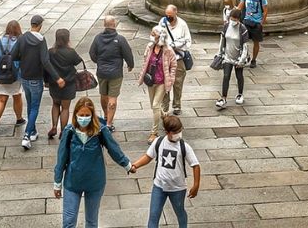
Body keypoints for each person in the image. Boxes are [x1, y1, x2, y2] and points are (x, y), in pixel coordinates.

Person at [52, 96, 131, 228]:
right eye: (81, 115)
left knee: (92, 221)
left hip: (95, 183)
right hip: (72, 183)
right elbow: (61, 159)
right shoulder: (69, 131)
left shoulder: (100, 130)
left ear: (92, 115)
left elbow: (114, 149)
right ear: (76, 114)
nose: (84, 118)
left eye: (87, 115)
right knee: (69, 222)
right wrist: (57, 183)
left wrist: (127, 165)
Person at [130, 114, 201, 228]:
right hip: (159, 186)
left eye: (180, 130)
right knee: (153, 216)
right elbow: (148, 156)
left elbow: (195, 165)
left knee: (180, 212)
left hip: (177, 188)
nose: (178, 134)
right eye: (176, 132)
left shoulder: (184, 147)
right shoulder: (159, 142)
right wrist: (135, 165)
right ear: (167, 132)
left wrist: (196, 185)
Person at [13, 14, 66, 151]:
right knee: (35, 107)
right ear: (40, 25)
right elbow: (45, 61)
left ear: (31, 24)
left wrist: (24, 58)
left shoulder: (22, 38)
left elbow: (13, 55)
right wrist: (57, 77)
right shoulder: (41, 40)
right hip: (36, 78)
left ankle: (33, 131)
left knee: (30, 105)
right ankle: (26, 136)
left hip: (25, 78)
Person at [89, 15, 134, 132]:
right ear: (114, 25)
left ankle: (105, 115)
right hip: (116, 73)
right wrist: (130, 64)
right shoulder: (120, 39)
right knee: (112, 97)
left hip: (102, 72)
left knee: (103, 95)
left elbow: (92, 53)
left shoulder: (97, 38)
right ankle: (109, 124)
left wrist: (99, 62)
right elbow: (127, 53)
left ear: (104, 25)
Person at [138, 26, 178, 141]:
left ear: (160, 37)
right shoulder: (149, 47)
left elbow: (174, 65)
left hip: (161, 82)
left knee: (155, 105)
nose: (151, 36)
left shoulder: (168, 50)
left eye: (153, 34)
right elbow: (145, 61)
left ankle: (154, 133)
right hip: (151, 81)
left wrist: (170, 79)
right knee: (153, 106)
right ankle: (164, 115)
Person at [0, 20, 26, 136]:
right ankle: (19, 118)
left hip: (0, 74)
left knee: (2, 99)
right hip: (14, 75)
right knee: (17, 96)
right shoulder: (20, 42)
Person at [48, 29, 83, 140]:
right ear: (67, 38)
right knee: (65, 108)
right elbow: (78, 61)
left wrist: (46, 81)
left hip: (54, 83)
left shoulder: (51, 52)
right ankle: (63, 131)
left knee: (55, 104)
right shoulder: (70, 52)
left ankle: (54, 126)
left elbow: (46, 66)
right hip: (68, 84)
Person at [158, 5, 192, 115]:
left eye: (170, 16)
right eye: (167, 15)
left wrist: (176, 45)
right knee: (165, 83)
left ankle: (177, 105)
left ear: (176, 12)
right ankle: (165, 106)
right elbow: (157, 38)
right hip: (165, 59)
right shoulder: (162, 23)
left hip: (178, 59)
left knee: (178, 83)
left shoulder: (182, 24)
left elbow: (188, 42)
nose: (168, 18)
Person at [214, 9, 251, 109]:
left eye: (235, 19)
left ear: (239, 19)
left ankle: (240, 94)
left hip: (238, 57)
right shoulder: (226, 26)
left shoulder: (242, 29)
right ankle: (223, 97)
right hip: (227, 56)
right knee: (226, 76)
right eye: (231, 18)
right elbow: (222, 40)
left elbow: (245, 46)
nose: (233, 21)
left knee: (239, 76)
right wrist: (219, 53)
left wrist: (242, 60)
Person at [237, 0, 268, 68]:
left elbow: (265, 11)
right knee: (242, 41)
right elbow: (240, 7)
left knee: (256, 42)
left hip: (256, 23)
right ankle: (245, 55)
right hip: (246, 21)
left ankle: (254, 60)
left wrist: (261, 22)